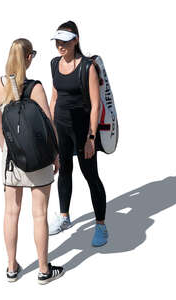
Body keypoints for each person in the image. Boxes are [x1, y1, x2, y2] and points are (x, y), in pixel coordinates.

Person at [0, 38, 64, 284]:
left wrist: (10, 152)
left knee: (11, 213)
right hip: (39, 161)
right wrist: (56, 156)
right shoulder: (35, 88)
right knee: (39, 214)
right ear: (29, 58)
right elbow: (48, 126)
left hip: (11, 160)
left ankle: (12, 268)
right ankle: (44, 270)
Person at [49, 21, 108, 247]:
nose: (60, 45)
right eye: (58, 41)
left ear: (76, 40)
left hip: (83, 130)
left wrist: (91, 138)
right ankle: (64, 217)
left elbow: (96, 105)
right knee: (63, 171)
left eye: (65, 41)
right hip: (62, 127)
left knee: (90, 176)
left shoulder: (88, 66)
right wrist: (53, 128)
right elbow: (54, 98)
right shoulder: (54, 64)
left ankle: (101, 225)